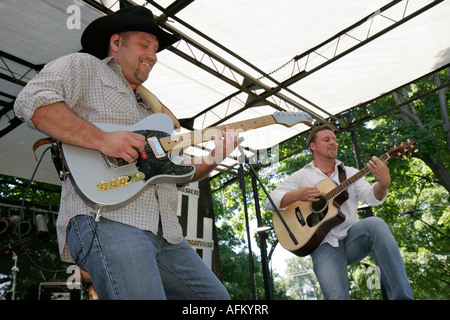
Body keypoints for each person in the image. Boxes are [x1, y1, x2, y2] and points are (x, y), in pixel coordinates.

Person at [14, 6, 238, 300]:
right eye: (144, 45)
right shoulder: (84, 66)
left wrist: (217, 154)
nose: (153, 56)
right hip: (106, 217)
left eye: (156, 49)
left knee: (216, 300)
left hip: (166, 232)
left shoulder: (153, 110)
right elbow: (31, 101)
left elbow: (178, 175)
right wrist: (103, 139)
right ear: (116, 42)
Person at [265, 125, 414, 300]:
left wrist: (384, 184)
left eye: (334, 139)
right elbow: (270, 200)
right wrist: (297, 195)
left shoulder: (350, 173)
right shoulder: (301, 176)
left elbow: (371, 197)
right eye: (327, 140)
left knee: (377, 224)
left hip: (353, 238)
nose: (333, 143)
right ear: (313, 146)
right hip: (322, 245)